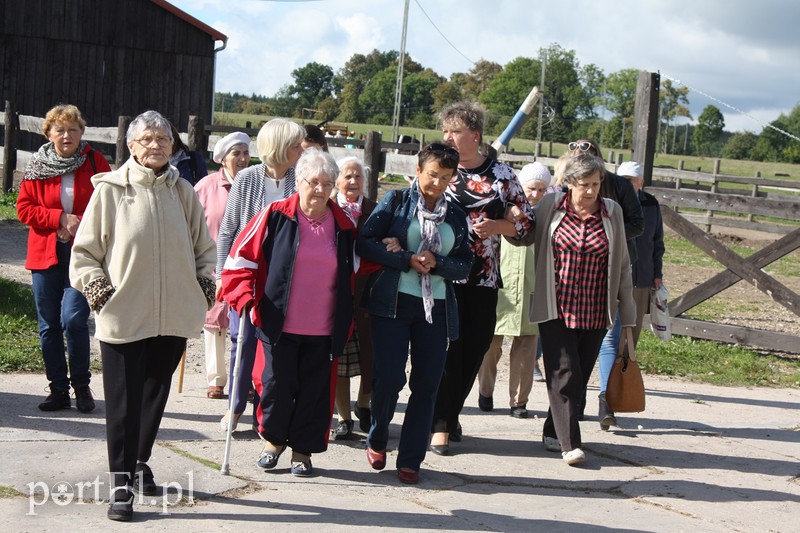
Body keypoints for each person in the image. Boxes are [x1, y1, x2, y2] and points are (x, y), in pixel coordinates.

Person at [69, 110, 216, 521]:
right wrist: (100, 293)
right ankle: (120, 484)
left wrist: (204, 287)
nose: (156, 146)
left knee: (154, 394)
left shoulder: (183, 191)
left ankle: (138, 461)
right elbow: (84, 254)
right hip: (124, 315)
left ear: (173, 146)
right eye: (147, 139)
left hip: (172, 316)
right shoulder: (111, 191)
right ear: (131, 146)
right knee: (123, 401)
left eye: (163, 139)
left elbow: (204, 249)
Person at [220, 149, 357, 478]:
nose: (321, 190)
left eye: (328, 183)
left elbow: (356, 271)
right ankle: (272, 442)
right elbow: (239, 262)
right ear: (298, 181)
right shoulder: (274, 215)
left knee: (314, 391)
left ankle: (302, 451)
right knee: (275, 385)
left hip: (324, 327)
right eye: (314, 182)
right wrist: (245, 301)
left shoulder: (343, 225)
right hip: (278, 321)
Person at [357, 143, 473, 483]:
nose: (437, 183)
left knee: (427, 385)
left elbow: (466, 262)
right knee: (390, 379)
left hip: (435, 308)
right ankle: (378, 435)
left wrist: (437, 263)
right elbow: (366, 241)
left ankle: (410, 459)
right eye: (432, 175)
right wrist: (405, 258)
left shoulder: (456, 214)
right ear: (419, 170)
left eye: (445, 177)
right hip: (393, 303)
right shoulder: (395, 202)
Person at [513, 152, 634, 466]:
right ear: (568, 184)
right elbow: (523, 236)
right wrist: (506, 219)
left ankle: (553, 429)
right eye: (584, 185)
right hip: (556, 307)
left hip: (595, 310)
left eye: (596, 184)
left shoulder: (612, 212)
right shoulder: (550, 207)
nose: (592, 191)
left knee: (576, 379)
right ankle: (571, 444)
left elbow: (622, 264)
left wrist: (629, 313)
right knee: (563, 372)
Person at [430, 101, 533, 455]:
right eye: (445, 131)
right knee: (448, 351)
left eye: (454, 131)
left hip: (484, 278)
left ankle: (449, 412)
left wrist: (497, 226)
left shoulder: (502, 176)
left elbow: (526, 222)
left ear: (474, 135)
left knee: (474, 348)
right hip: (442, 276)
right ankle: (440, 425)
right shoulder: (440, 170)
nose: (447, 137)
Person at [17, 104, 111, 413]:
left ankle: (82, 386)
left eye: (73, 129)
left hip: (83, 255)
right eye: (60, 130)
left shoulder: (95, 163)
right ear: (49, 134)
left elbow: (109, 206)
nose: (67, 135)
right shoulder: (37, 165)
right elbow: (24, 208)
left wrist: (77, 222)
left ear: (82, 132)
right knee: (48, 325)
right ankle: (58, 390)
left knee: (73, 319)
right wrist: (59, 218)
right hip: (45, 253)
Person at [215, 118, 305, 432]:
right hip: (249, 273)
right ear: (280, 147)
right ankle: (235, 407)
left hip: (287, 277)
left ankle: (265, 413)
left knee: (276, 346)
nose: (300, 150)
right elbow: (228, 230)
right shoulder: (247, 178)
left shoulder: (301, 178)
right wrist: (220, 276)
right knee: (242, 341)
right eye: (296, 145)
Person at [567, 139, 643, 429]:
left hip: (610, 269)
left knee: (609, 337)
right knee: (574, 342)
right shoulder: (564, 189)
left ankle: (605, 400)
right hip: (573, 275)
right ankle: (574, 401)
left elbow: (638, 224)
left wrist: (607, 229)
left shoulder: (619, 188)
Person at [477, 162, 550, 419]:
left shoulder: (547, 216)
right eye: (532, 188)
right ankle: (485, 390)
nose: (536, 195)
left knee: (526, 346)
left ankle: (519, 401)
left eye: (542, 190)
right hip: (502, 283)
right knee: (490, 343)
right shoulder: (506, 207)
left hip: (531, 287)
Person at [194, 131, 252, 399]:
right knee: (214, 321)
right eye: (236, 154)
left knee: (247, 323)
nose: (242, 159)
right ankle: (216, 379)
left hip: (246, 265)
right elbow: (192, 225)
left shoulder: (254, 184)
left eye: (245, 153)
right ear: (223, 159)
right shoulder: (205, 187)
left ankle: (246, 379)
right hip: (213, 264)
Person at [330, 156, 378, 440]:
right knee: (340, 361)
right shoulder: (329, 209)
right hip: (338, 296)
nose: (353, 182)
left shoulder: (374, 209)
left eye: (358, 177)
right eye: (347, 176)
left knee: (371, 357)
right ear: (337, 180)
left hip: (368, 295)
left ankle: (364, 404)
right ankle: (344, 418)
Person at [617, 161, 665, 346]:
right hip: (617, 273)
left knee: (634, 326)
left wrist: (657, 273)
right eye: (623, 180)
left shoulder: (651, 204)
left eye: (631, 180)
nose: (627, 184)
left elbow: (657, 241)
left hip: (642, 275)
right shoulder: (611, 203)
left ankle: (627, 366)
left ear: (640, 182)